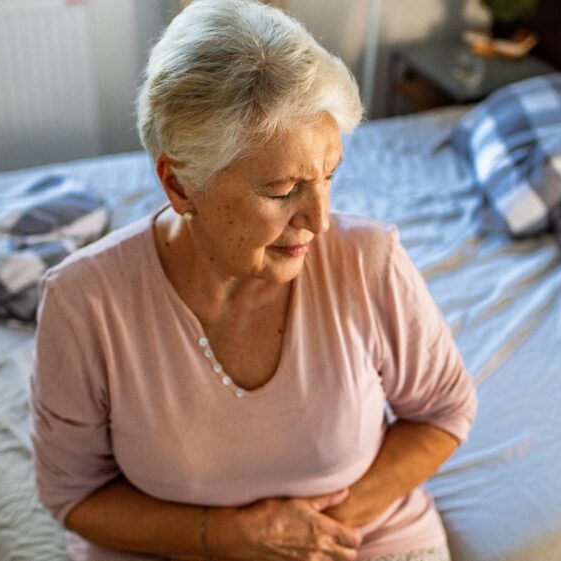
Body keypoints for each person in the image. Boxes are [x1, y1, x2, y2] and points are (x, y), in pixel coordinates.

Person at [30, 1, 478, 560]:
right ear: (180, 185)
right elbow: (72, 496)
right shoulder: (83, 303)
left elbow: (445, 412)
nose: (319, 219)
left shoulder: (370, 259)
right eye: (281, 190)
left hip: (358, 540)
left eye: (329, 176)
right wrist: (233, 539)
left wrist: (316, 532)